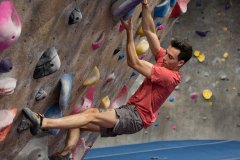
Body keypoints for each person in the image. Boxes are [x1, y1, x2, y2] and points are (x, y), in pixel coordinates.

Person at [22, 0, 193, 159]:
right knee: (81, 118)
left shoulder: (169, 76)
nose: (164, 57)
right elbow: (149, 32)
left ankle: (44, 122)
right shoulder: (166, 61)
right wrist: (146, 6)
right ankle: (67, 154)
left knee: (90, 117)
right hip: (131, 112)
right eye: (167, 53)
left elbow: (133, 62)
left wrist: (129, 32)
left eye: (170, 57)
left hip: (135, 117)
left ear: (180, 63)